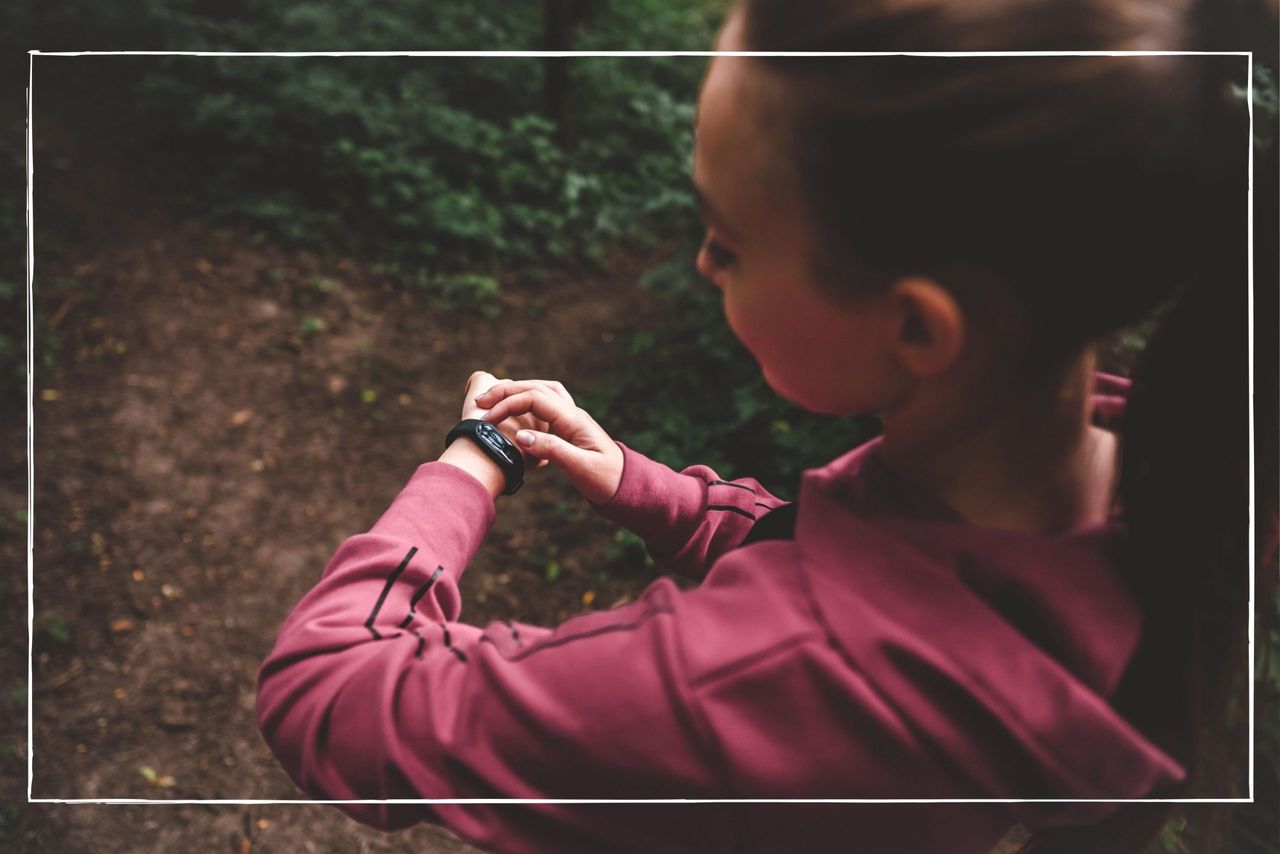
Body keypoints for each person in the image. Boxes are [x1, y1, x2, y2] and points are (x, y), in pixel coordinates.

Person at [257, 1, 1269, 852]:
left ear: (915, 324)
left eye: (730, 240)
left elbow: (328, 686)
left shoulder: (764, 674)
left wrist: (471, 455)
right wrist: (653, 490)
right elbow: (880, 567)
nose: (703, 264)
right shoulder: (1165, 461)